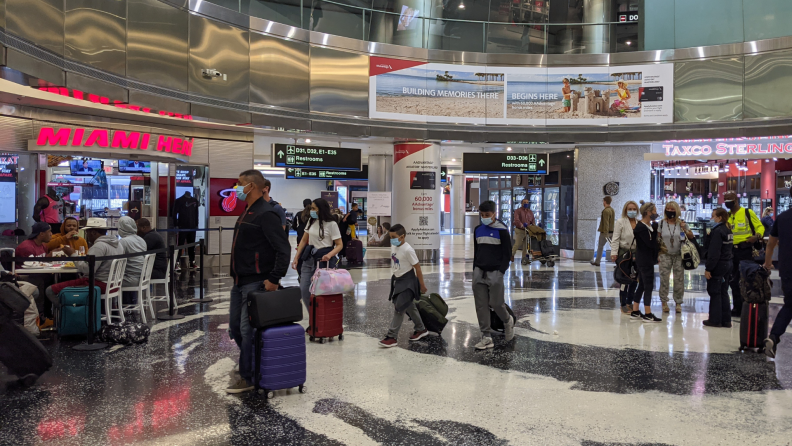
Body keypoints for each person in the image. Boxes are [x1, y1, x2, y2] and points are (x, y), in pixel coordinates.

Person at [227, 170, 291, 394]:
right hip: (239, 281)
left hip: (256, 282)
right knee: (235, 327)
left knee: (248, 330)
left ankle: (249, 375)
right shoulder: (247, 211)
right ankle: (251, 362)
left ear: (252, 187)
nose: (237, 187)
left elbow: (283, 249)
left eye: (240, 184)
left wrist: (274, 278)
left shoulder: (266, 214)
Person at [45, 218, 124, 304]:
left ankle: (70, 313)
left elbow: (87, 269)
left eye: (88, 232)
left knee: (50, 290)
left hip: (98, 284)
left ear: (93, 232)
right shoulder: (118, 244)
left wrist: (72, 254)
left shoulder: (98, 246)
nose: (87, 235)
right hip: (114, 284)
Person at [471, 200, 515, 350]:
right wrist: (475, 269)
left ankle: (507, 320)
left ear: (495, 214)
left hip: (495, 272)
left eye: (487, 215)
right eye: (482, 215)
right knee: (481, 305)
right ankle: (486, 336)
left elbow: (507, 254)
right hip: (479, 271)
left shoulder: (502, 230)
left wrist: (501, 271)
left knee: (496, 303)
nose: (484, 217)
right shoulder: (477, 229)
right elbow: (476, 251)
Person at [378, 224, 428, 348]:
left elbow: (418, 268)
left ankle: (392, 337)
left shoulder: (408, 249)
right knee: (409, 306)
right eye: (390, 237)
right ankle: (421, 329)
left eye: (394, 237)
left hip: (408, 282)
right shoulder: (394, 246)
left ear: (402, 237)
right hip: (398, 280)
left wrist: (422, 285)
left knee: (399, 308)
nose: (392, 239)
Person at [292, 198, 343, 310]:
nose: (312, 211)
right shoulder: (311, 221)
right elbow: (304, 240)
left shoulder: (331, 224)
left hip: (324, 262)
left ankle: (321, 320)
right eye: (311, 208)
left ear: (321, 209)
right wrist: (296, 257)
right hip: (308, 259)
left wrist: (330, 255)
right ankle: (313, 319)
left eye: (314, 208)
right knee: (304, 290)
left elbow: (339, 244)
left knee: (322, 292)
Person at [724, 192, 764, 316]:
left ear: (736, 200)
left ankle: (746, 307)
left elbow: (760, 227)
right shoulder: (728, 215)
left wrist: (756, 236)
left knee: (745, 280)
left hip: (745, 250)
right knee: (733, 281)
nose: (727, 202)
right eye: (725, 200)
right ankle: (737, 307)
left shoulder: (747, 212)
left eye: (729, 199)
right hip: (731, 251)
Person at [764, 188, 792, 358]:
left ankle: (774, 336)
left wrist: (768, 263)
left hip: (787, 269)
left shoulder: (782, 218)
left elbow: (771, 244)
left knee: (789, 305)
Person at [657, 201, 695, 313]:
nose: (670, 211)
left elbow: (691, 236)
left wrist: (685, 229)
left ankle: (678, 302)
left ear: (677, 211)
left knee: (679, 279)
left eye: (673, 209)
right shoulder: (661, 223)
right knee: (664, 279)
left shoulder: (681, 223)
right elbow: (658, 238)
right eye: (668, 209)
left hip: (679, 254)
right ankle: (664, 301)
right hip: (665, 255)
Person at [631, 202, 661, 322]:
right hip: (645, 260)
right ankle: (648, 313)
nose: (655, 213)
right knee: (648, 286)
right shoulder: (642, 227)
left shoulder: (646, 226)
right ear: (648, 212)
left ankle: (635, 310)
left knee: (642, 285)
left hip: (646, 259)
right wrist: (654, 232)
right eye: (654, 211)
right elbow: (649, 244)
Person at [704, 208, 734, 328]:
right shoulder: (728, 229)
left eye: (713, 216)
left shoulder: (717, 231)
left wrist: (708, 268)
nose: (712, 219)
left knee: (715, 292)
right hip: (728, 263)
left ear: (719, 218)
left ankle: (715, 320)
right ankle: (726, 320)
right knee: (724, 292)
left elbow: (714, 252)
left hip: (718, 265)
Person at [611, 201, 639, 314]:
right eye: (629, 209)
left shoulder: (639, 222)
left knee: (634, 279)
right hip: (624, 254)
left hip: (636, 254)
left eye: (634, 209)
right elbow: (615, 238)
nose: (632, 211)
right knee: (624, 279)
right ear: (625, 210)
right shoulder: (620, 222)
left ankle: (630, 301)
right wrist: (614, 253)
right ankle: (622, 304)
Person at [117, 217, 147, 288]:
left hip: (130, 280)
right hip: (143, 277)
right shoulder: (141, 240)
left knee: (106, 281)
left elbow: (118, 261)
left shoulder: (123, 241)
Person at [172, 191, 199, 269]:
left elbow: (196, 213)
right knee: (180, 245)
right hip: (182, 227)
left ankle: (192, 262)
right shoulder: (179, 200)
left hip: (192, 227)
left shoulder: (194, 201)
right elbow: (174, 214)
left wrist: (196, 224)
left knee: (192, 245)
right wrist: (176, 225)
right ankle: (176, 263)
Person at [592, 196, 615, 266]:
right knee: (614, 247)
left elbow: (606, 223)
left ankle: (597, 261)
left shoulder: (605, 211)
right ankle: (618, 261)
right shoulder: (612, 210)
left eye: (603, 201)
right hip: (612, 232)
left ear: (605, 202)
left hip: (605, 233)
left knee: (600, 246)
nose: (603, 203)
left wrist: (605, 234)